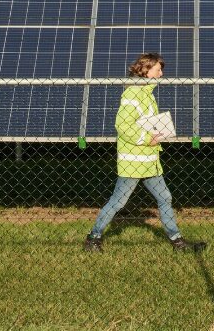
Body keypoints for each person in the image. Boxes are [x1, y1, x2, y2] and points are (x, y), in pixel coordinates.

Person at [83, 52, 205, 253]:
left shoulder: (146, 94)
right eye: (158, 69)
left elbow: (145, 124)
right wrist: (148, 138)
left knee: (165, 197)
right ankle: (93, 238)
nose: (161, 74)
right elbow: (122, 125)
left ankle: (178, 242)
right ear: (146, 70)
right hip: (134, 162)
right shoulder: (133, 94)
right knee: (118, 202)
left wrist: (156, 134)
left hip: (149, 161)